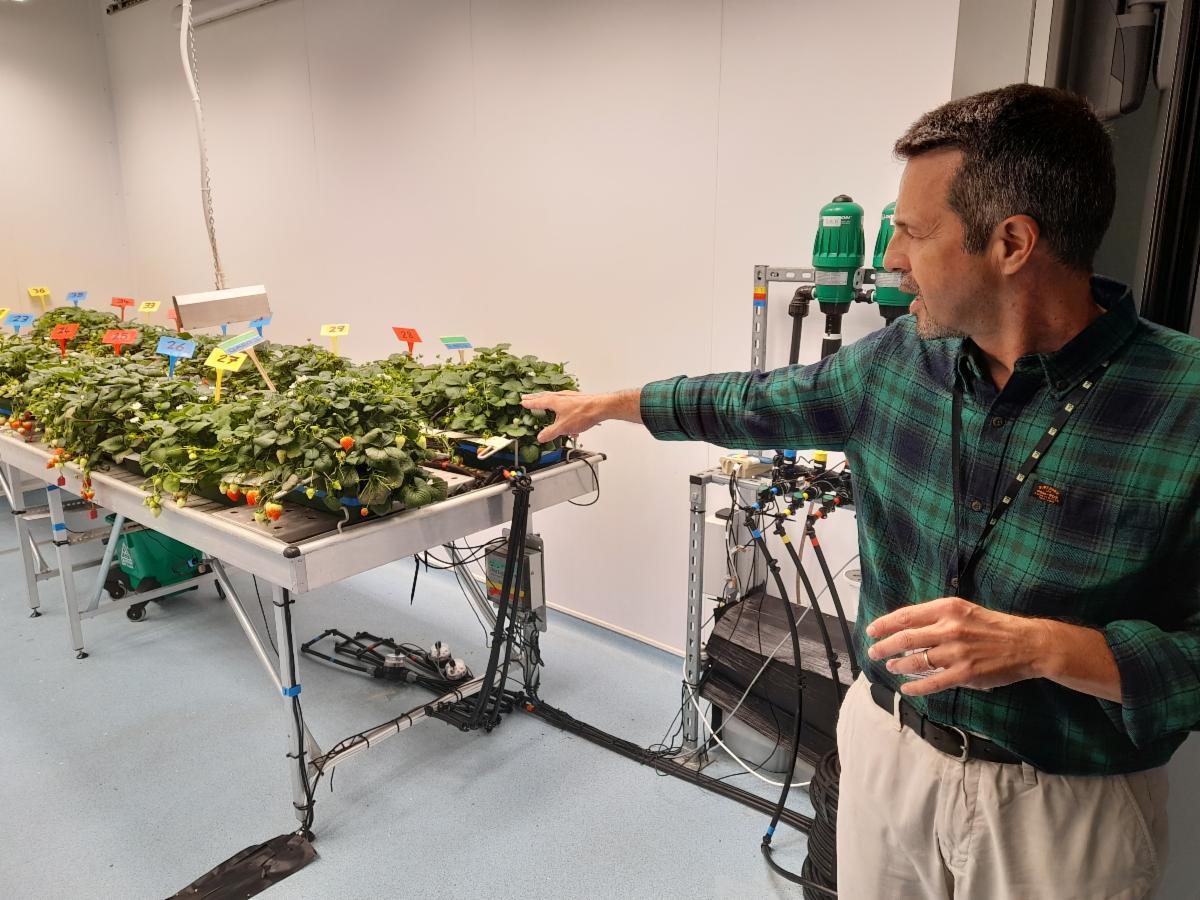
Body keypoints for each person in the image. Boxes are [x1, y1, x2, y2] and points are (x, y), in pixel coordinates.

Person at [521, 83, 1200, 899]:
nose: (893, 262)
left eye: (913, 232)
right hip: (888, 747)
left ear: (1012, 243)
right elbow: (751, 400)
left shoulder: (1181, 404)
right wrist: (610, 405)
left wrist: (1043, 649)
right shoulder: (895, 365)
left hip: (1060, 807)